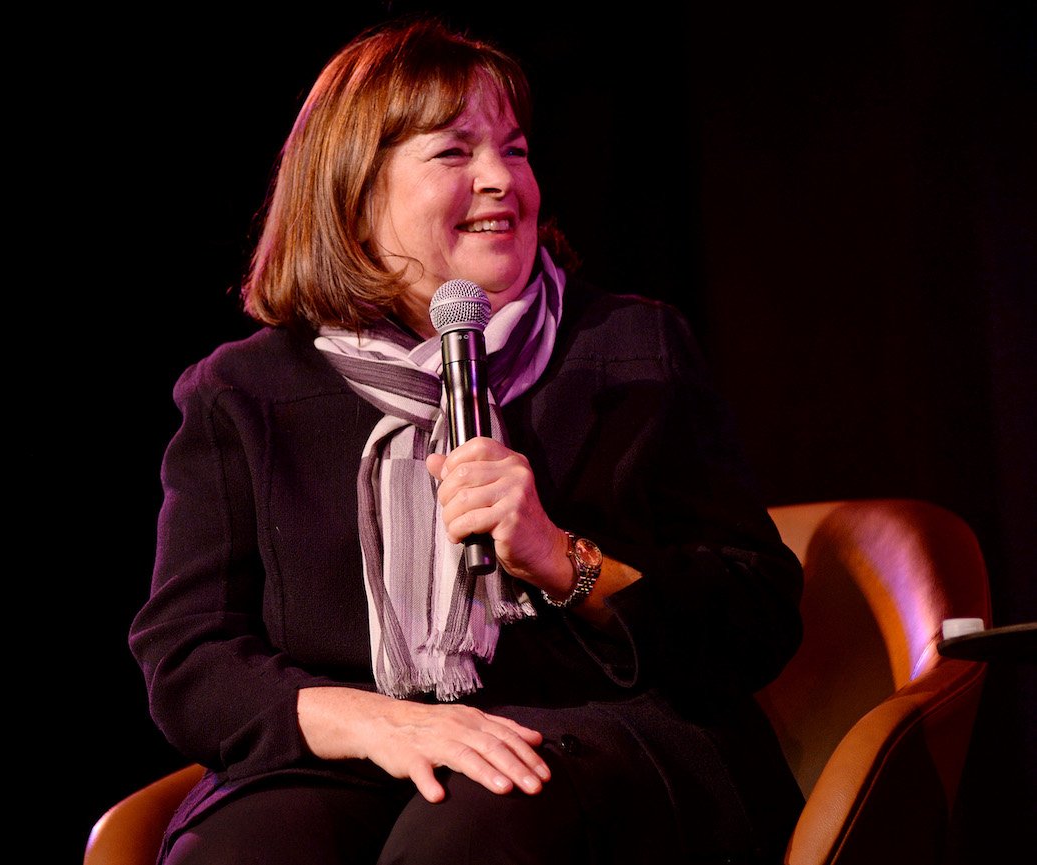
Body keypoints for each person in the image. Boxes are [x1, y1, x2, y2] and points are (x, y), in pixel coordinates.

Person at [129, 16, 805, 864]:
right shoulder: (242, 393)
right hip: (357, 752)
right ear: (354, 191)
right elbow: (188, 655)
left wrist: (566, 560)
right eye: (454, 154)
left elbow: (760, 614)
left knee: (473, 825)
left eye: (514, 151)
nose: (501, 181)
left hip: (603, 741)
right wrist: (371, 718)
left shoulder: (631, 348)